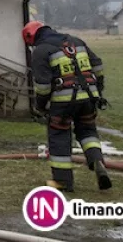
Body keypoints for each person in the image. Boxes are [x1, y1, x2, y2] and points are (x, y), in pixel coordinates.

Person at [24, 20, 112, 192]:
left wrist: (40, 107)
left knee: (59, 136)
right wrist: (97, 90)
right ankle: (97, 160)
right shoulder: (76, 41)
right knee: (87, 131)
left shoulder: (41, 51)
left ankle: (63, 181)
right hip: (88, 98)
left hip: (63, 103)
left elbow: (43, 86)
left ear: (31, 38)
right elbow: (98, 65)